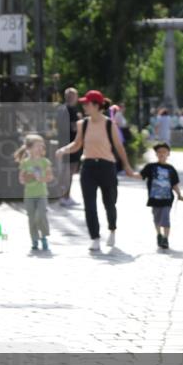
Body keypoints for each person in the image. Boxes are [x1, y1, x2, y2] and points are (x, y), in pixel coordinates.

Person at [55, 90, 140, 251]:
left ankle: (112, 229)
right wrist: (63, 150)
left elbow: (119, 147)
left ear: (96, 105)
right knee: (89, 205)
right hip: (88, 168)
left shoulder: (109, 124)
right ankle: (94, 237)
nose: (84, 106)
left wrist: (127, 167)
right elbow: (77, 144)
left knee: (109, 203)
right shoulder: (83, 124)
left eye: (87, 103)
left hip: (107, 167)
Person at [140, 142, 183, 250]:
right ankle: (159, 234)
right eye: (159, 152)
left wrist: (179, 194)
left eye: (164, 152)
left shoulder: (171, 169)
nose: (162, 154)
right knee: (156, 218)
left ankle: (165, 239)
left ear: (168, 154)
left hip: (167, 198)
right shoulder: (151, 167)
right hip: (154, 198)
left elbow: (174, 184)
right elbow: (141, 176)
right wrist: (129, 172)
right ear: (156, 154)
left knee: (165, 218)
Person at [15, 134, 54, 251]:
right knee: (31, 218)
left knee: (41, 215)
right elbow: (21, 179)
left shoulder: (45, 162)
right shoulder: (25, 163)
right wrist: (27, 177)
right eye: (37, 146)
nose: (40, 148)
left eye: (41, 146)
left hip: (41, 193)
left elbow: (50, 177)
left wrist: (40, 179)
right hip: (29, 195)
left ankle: (44, 237)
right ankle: (34, 239)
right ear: (29, 148)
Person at [57, 88, 82, 206]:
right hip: (71, 143)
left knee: (65, 171)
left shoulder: (61, 109)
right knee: (69, 171)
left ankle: (65, 195)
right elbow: (74, 127)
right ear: (73, 97)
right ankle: (65, 196)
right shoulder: (71, 110)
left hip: (63, 142)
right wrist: (82, 122)